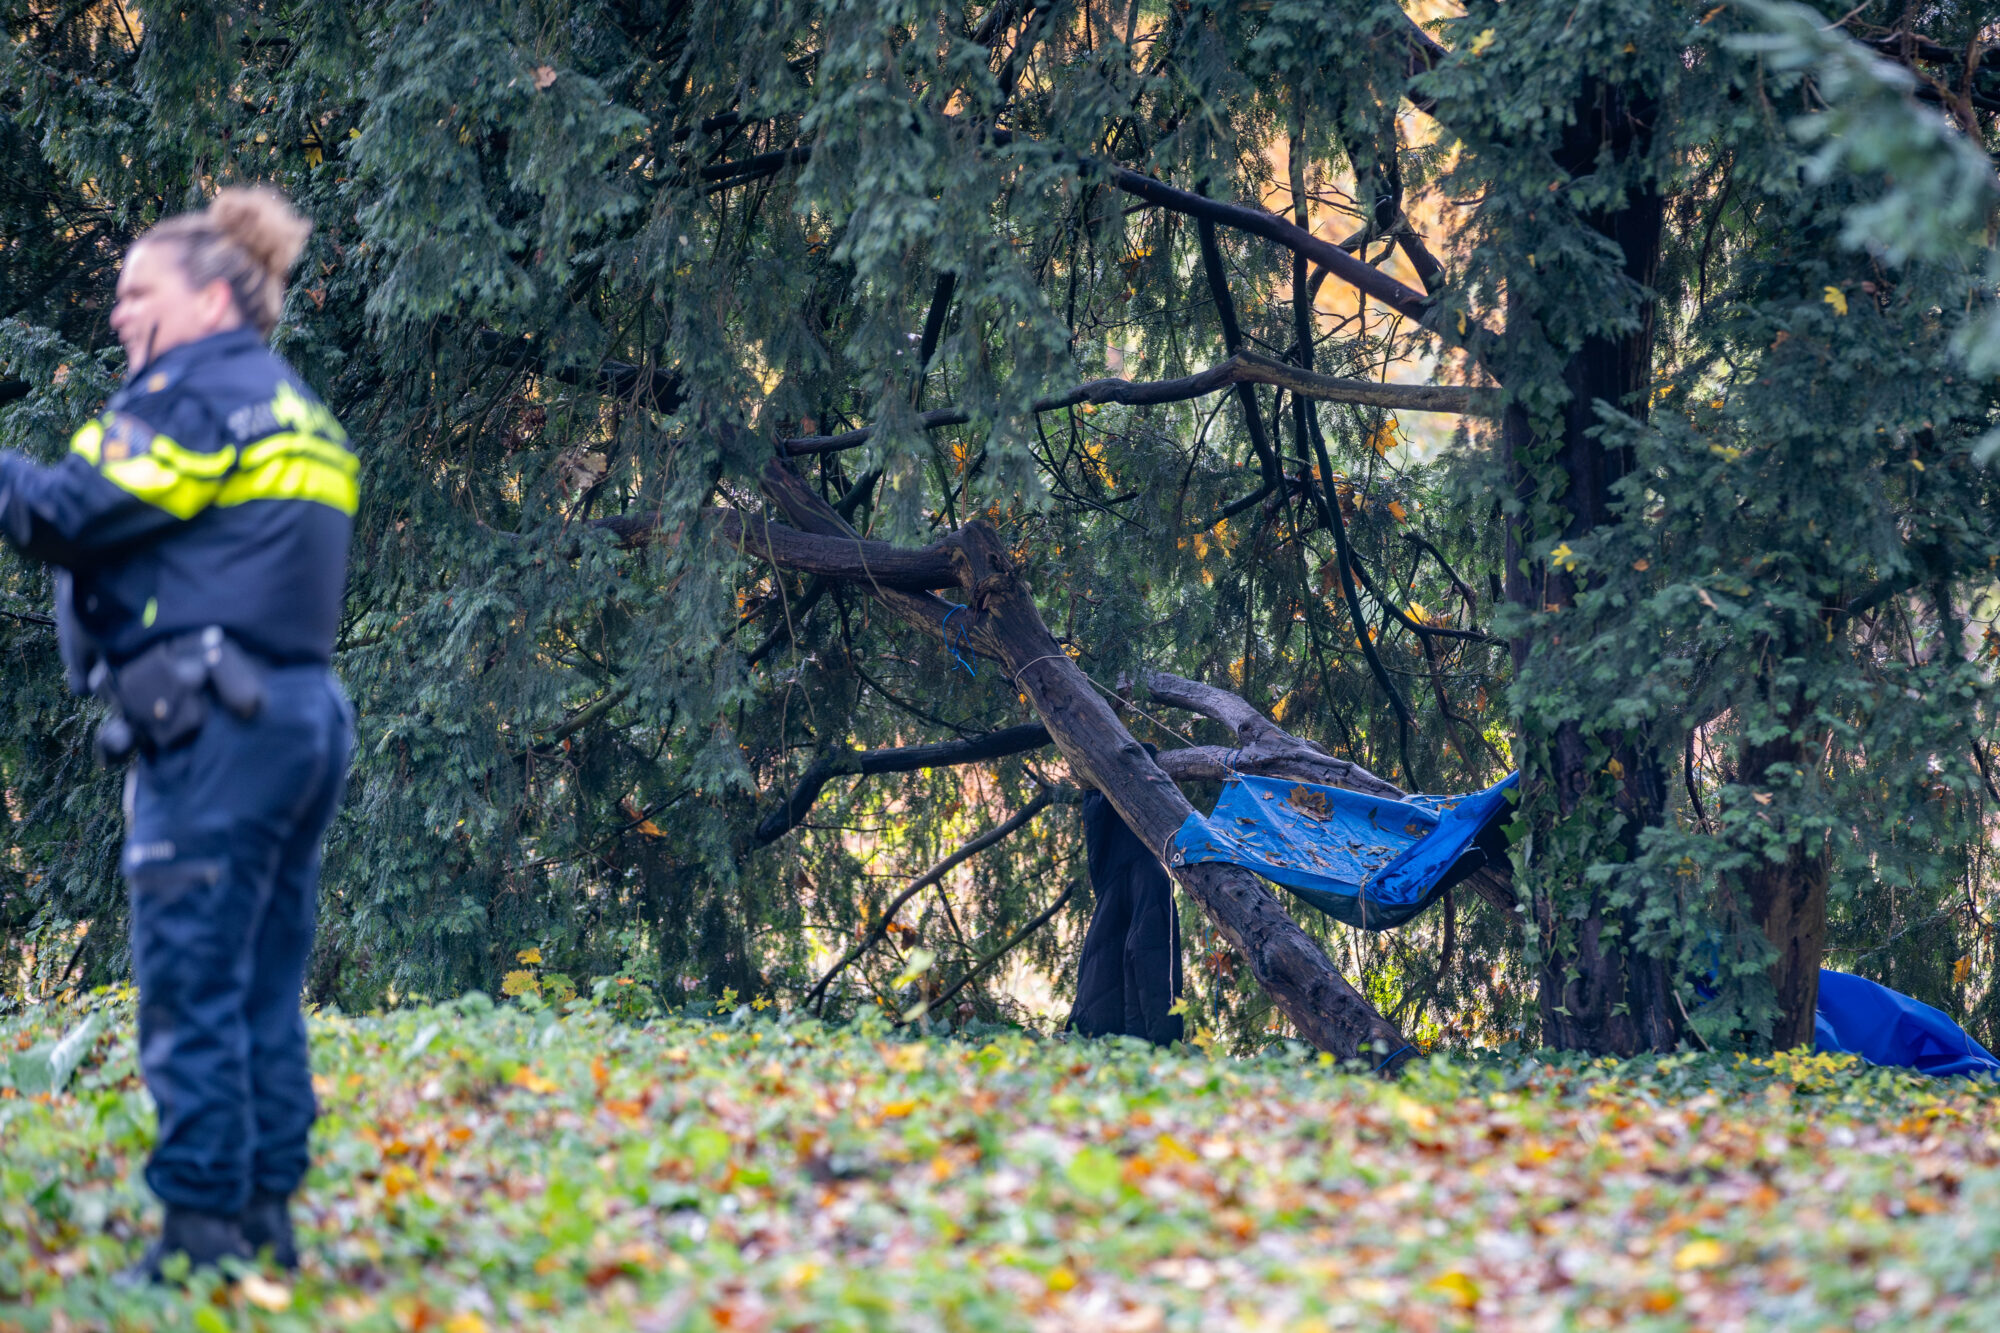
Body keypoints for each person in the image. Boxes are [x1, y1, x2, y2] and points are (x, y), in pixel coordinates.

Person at [0, 187, 357, 1281]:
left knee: (197, 982)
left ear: (208, 299)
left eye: (134, 293)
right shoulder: (296, 407)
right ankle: (264, 1221)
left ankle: (199, 1241)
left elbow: (71, 514)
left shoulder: (191, 396)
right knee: (259, 983)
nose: (117, 316)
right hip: (296, 716)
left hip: (218, 731)